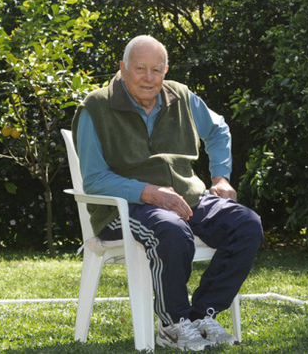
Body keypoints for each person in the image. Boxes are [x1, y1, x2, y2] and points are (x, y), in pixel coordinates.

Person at [72, 35, 263, 352]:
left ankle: (201, 317)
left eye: (156, 70)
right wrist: (148, 192)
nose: (149, 78)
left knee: (247, 225)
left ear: (166, 70)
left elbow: (218, 130)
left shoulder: (183, 97)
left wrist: (221, 177)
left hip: (189, 197)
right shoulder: (96, 107)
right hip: (124, 207)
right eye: (140, 69)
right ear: (122, 68)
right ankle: (173, 325)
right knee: (170, 231)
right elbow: (94, 179)